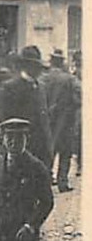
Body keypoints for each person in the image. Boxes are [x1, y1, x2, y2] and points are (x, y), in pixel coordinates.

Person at [0, 47, 53, 169]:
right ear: (26, 66)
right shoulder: (10, 88)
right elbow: (5, 119)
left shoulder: (41, 87)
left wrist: (48, 147)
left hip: (42, 147)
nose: (39, 70)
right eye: (35, 66)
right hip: (21, 147)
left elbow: (44, 118)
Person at [41, 49, 81, 192]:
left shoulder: (43, 78)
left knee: (48, 151)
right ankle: (62, 182)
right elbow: (80, 97)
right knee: (65, 153)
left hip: (47, 121)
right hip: (66, 122)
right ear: (62, 62)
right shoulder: (70, 79)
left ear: (51, 62)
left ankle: (46, 179)